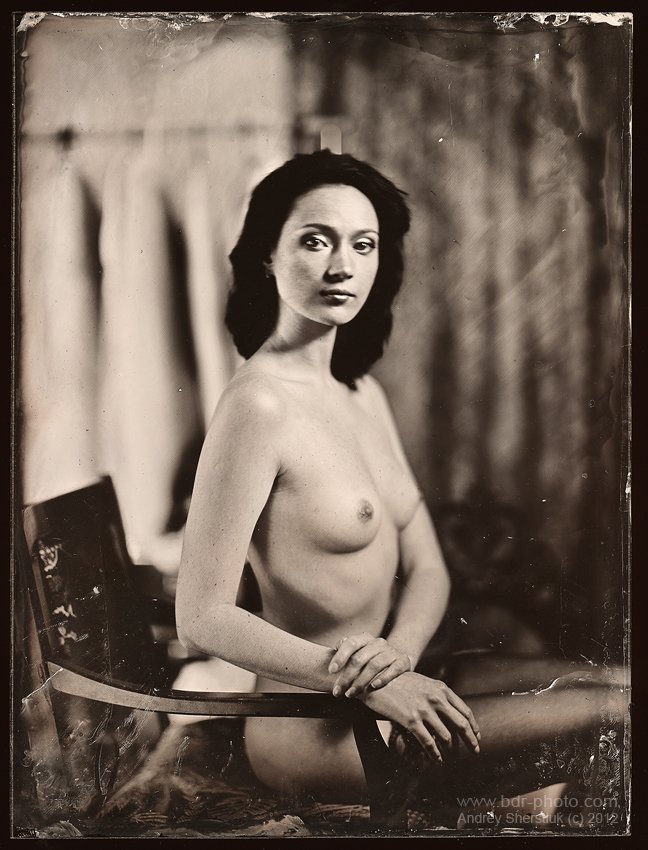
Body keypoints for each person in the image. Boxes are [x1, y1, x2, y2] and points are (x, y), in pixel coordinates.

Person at [175, 149, 627, 826]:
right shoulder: (257, 406)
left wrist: (398, 658)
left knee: (622, 681)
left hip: (400, 682)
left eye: (363, 245)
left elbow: (427, 565)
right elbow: (201, 615)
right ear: (267, 254)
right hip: (315, 728)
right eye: (315, 241)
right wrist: (361, 681)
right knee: (620, 711)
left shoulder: (359, 393)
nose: (342, 266)